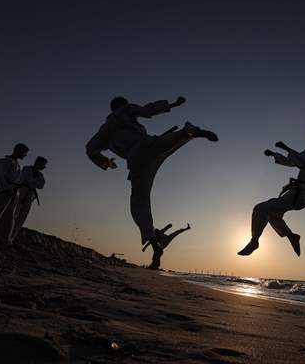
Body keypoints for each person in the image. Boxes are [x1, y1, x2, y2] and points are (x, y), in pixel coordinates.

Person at [86, 95, 218, 269]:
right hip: (145, 146)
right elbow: (147, 110)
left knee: (139, 202)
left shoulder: (104, 130)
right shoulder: (126, 110)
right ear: (122, 105)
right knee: (166, 143)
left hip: (135, 162)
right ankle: (190, 132)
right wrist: (171, 104)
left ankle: (153, 243)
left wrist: (106, 162)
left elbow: (90, 149)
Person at [238, 129, 305, 257]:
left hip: (303, 195)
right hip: (294, 192)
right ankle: (292, 236)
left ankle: (254, 242)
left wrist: (286, 148)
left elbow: (304, 163)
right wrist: (274, 154)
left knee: (261, 208)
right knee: (272, 215)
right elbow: (292, 162)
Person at [0, 143, 29, 243]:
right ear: (18, 151)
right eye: (25, 153)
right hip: (5, 191)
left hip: (15, 193)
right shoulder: (3, 162)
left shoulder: (17, 165)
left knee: (9, 217)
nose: (25, 155)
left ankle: (5, 239)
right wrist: (6, 189)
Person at [9, 156, 47, 244]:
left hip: (30, 195)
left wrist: (32, 182)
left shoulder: (40, 175)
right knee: (14, 212)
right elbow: (25, 179)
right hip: (22, 190)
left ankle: (12, 237)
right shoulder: (26, 169)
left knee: (23, 216)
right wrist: (34, 183)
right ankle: (7, 233)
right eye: (43, 165)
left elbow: (41, 185)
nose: (44, 167)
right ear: (38, 163)